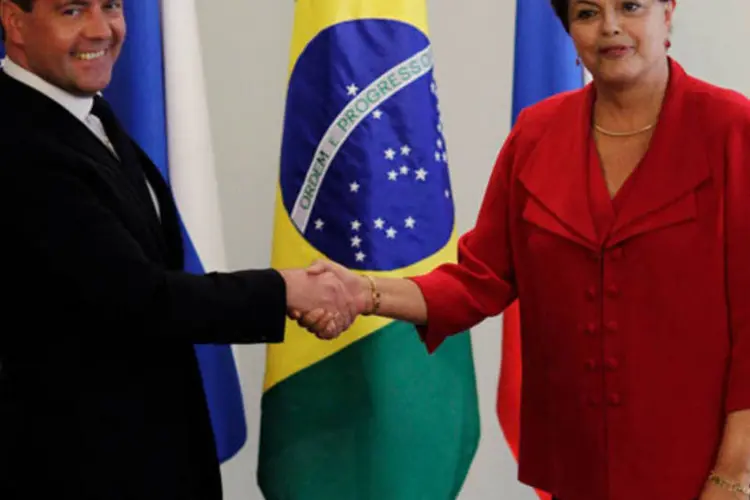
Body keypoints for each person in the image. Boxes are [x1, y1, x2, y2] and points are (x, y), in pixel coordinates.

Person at [294, 0, 750, 499]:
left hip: (699, 467)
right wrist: (361, 292)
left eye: (630, 6)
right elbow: (477, 281)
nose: (610, 26)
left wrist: (733, 475)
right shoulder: (535, 133)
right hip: (575, 467)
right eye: (586, 13)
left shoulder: (732, 129)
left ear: (668, 12)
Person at [0, 1, 357, 499]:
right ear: (13, 21)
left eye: (111, 6)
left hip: (142, 455)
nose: (102, 30)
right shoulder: (15, 142)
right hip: (75, 469)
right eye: (72, 10)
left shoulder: (84, 112)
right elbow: (137, 298)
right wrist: (286, 290)